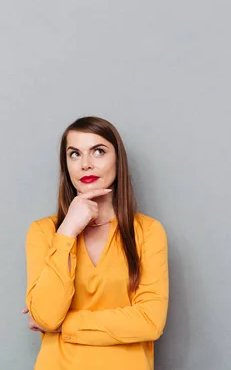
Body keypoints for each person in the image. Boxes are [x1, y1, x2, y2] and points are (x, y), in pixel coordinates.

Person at [22, 116, 169, 370]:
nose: (86, 164)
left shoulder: (148, 232)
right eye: (75, 154)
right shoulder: (44, 232)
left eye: (98, 151)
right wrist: (67, 231)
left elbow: (150, 321)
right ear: (66, 165)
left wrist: (65, 325)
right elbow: (46, 315)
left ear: (117, 160)